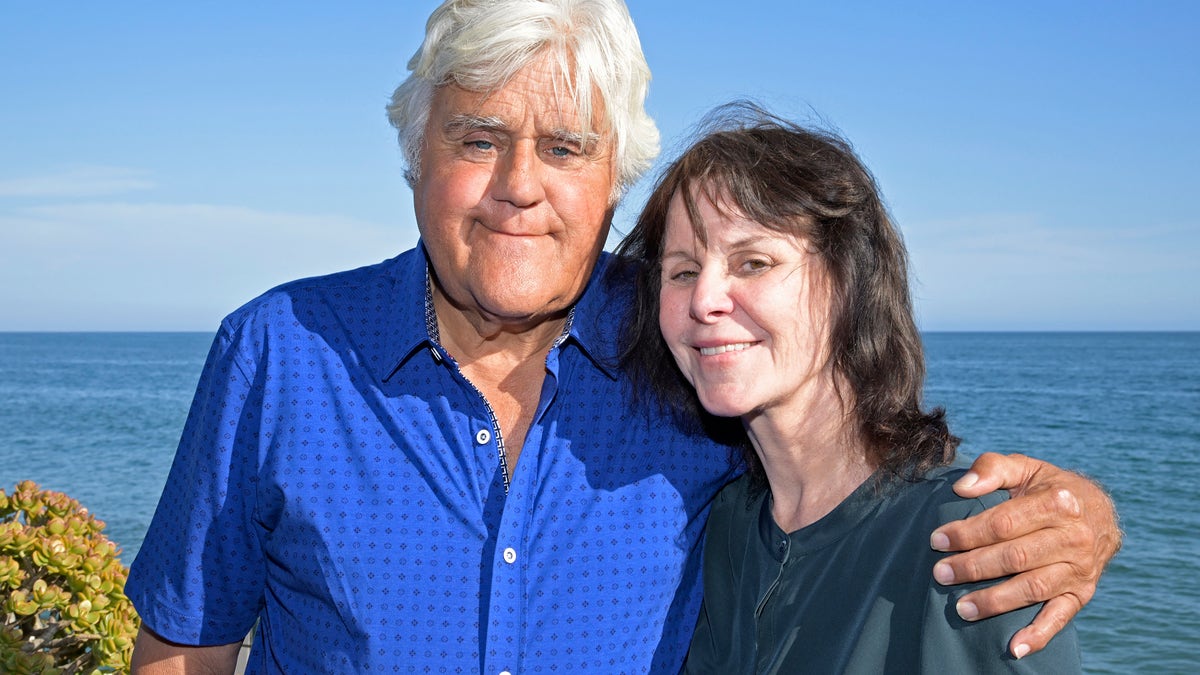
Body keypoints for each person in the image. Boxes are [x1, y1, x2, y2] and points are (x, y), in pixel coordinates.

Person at [126, 1, 1119, 673]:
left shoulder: (683, 343)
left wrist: (1076, 514)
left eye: (565, 148)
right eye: (478, 139)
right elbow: (185, 646)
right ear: (413, 158)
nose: (521, 185)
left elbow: (850, 472)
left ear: (613, 184)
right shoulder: (280, 351)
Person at [616, 104, 1083, 672]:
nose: (704, 299)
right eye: (683, 271)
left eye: (754, 262)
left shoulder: (966, 536)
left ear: (848, 282)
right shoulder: (727, 527)